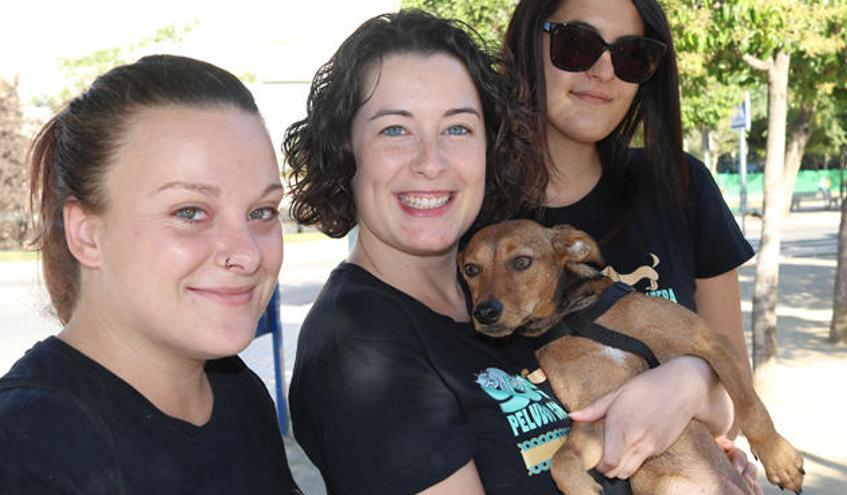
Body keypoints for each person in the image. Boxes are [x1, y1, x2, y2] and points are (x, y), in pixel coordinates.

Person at [286, 9, 754, 495]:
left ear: (491, 145)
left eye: (458, 128)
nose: (431, 162)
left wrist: (692, 425)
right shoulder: (359, 351)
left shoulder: (499, 300)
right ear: (344, 149)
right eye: (395, 130)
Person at [0, 55, 301, 494]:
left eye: (262, 212)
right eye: (190, 212)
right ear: (86, 234)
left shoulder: (237, 392)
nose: (247, 254)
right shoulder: (30, 448)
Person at [503, 0, 761, 490]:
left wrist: (684, 385)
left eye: (631, 56)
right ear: (527, 44)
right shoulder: (479, 234)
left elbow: (733, 400)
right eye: (576, 44)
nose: (603, 71)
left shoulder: (681, 187)